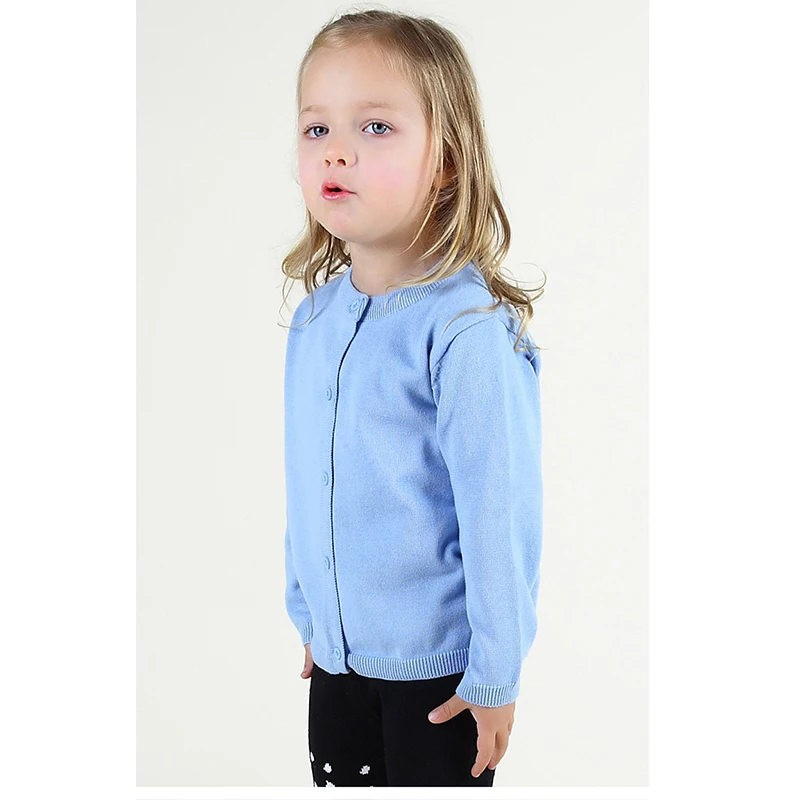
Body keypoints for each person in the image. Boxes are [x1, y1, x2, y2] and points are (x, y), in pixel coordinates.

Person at [280, 8, 545, 789]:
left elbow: (498, 513)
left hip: (441, 680)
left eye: (376, 127)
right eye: (317, 129)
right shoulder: (315, 319)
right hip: (337, 662)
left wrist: (496, 672)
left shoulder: (465, 331)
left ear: (447, 162)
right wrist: (312, 614)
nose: (337, 151)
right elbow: (308, 480)